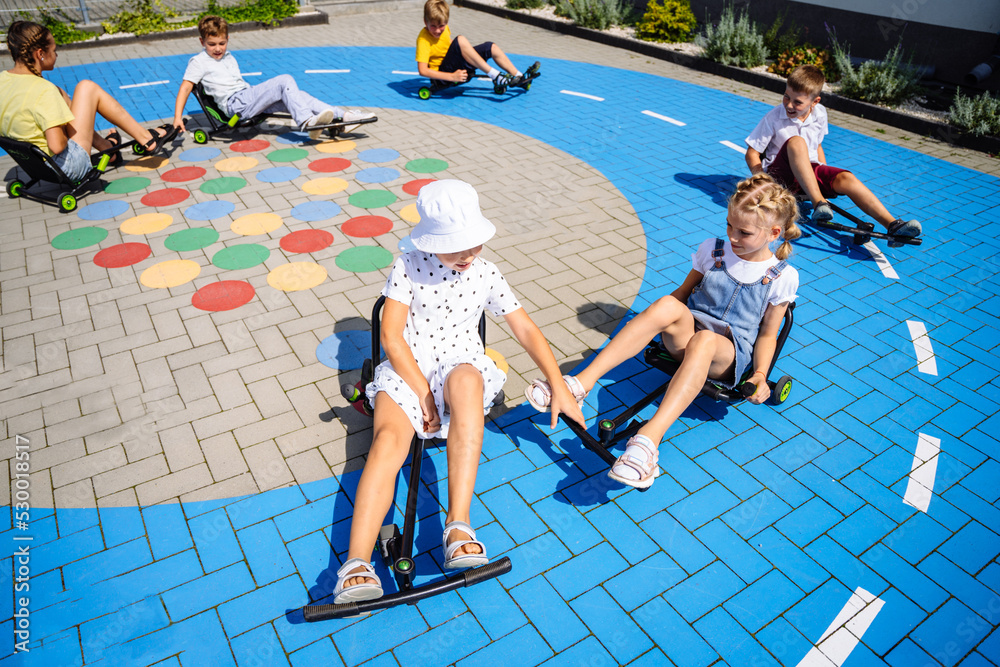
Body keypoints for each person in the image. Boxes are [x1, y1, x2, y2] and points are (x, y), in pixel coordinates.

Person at [334, 180, 584, 603]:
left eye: (474, 244)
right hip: (409, 368)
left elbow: (523, 326)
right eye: (456, 247)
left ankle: (458, 525)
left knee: (468, 379)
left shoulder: (486, 272)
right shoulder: (407, 265)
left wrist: (558, 383)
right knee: (389, 441)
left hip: (458, 364)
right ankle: (356, 562)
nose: (468, 255)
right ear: (430, 242)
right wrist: (423, 396)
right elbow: (392, 339)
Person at [526, 174, 801, 489]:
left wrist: (761, 374)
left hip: (725, 355)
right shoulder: (714, 250)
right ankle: (578, 384)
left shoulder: (781, 276)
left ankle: (647, 442)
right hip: (686, 338)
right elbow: (682, 294)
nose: (732, 236)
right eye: (729, 225)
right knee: (667, 305)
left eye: (744, 232)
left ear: (774, 233)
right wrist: (656, 317)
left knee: (706, 340)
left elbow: (768, 334)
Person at [744, 64, 921, 247]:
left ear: (815, 102)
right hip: (781, 175)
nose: (789, 104)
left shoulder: (820, 114)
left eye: (798, 102)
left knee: (846, 177)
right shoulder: (773, 118)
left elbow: (818, 146)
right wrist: (762, 180)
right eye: (786, 97)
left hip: (808, 171)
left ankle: (892, 224)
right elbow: (752, 153)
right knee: (796, 142)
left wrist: (825, 176)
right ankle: (819, 202)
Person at [1, 21, 176, 182]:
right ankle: (147, 140)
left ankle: (108, 148)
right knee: (87, 88)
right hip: (65, 167)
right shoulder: (42, 90)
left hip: (33, 165)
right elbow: (57, 145)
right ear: (40, 54)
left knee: (61, 93)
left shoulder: (3, 80)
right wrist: (62, 124)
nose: (56, 54)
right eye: (54, 50)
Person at [171, 16, 375, 140]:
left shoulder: (229, 56)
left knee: (297, 95)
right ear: (202, 41)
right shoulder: (198, 62)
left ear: (228, 39)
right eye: (212, 44)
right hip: (236, 106)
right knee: (285, 80)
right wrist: (178, 118)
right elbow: (185, 88)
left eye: (222, 43)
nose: (217, 49)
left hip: (247, 98)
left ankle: (344, 118)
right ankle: (306, 122)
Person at [417, 0, 539, 94]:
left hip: (454, 65)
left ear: (446, 22)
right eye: (433, 26)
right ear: (424, 21)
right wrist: (452, 76)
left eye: (441, 26)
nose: (438, 30)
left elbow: (449, 44)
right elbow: (423, 71)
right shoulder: (423, 40)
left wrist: (469, 53)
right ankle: (496, 76)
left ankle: (520, 78)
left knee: (490, 47)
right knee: (461, 40)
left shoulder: (444, 30)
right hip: (444, 77)